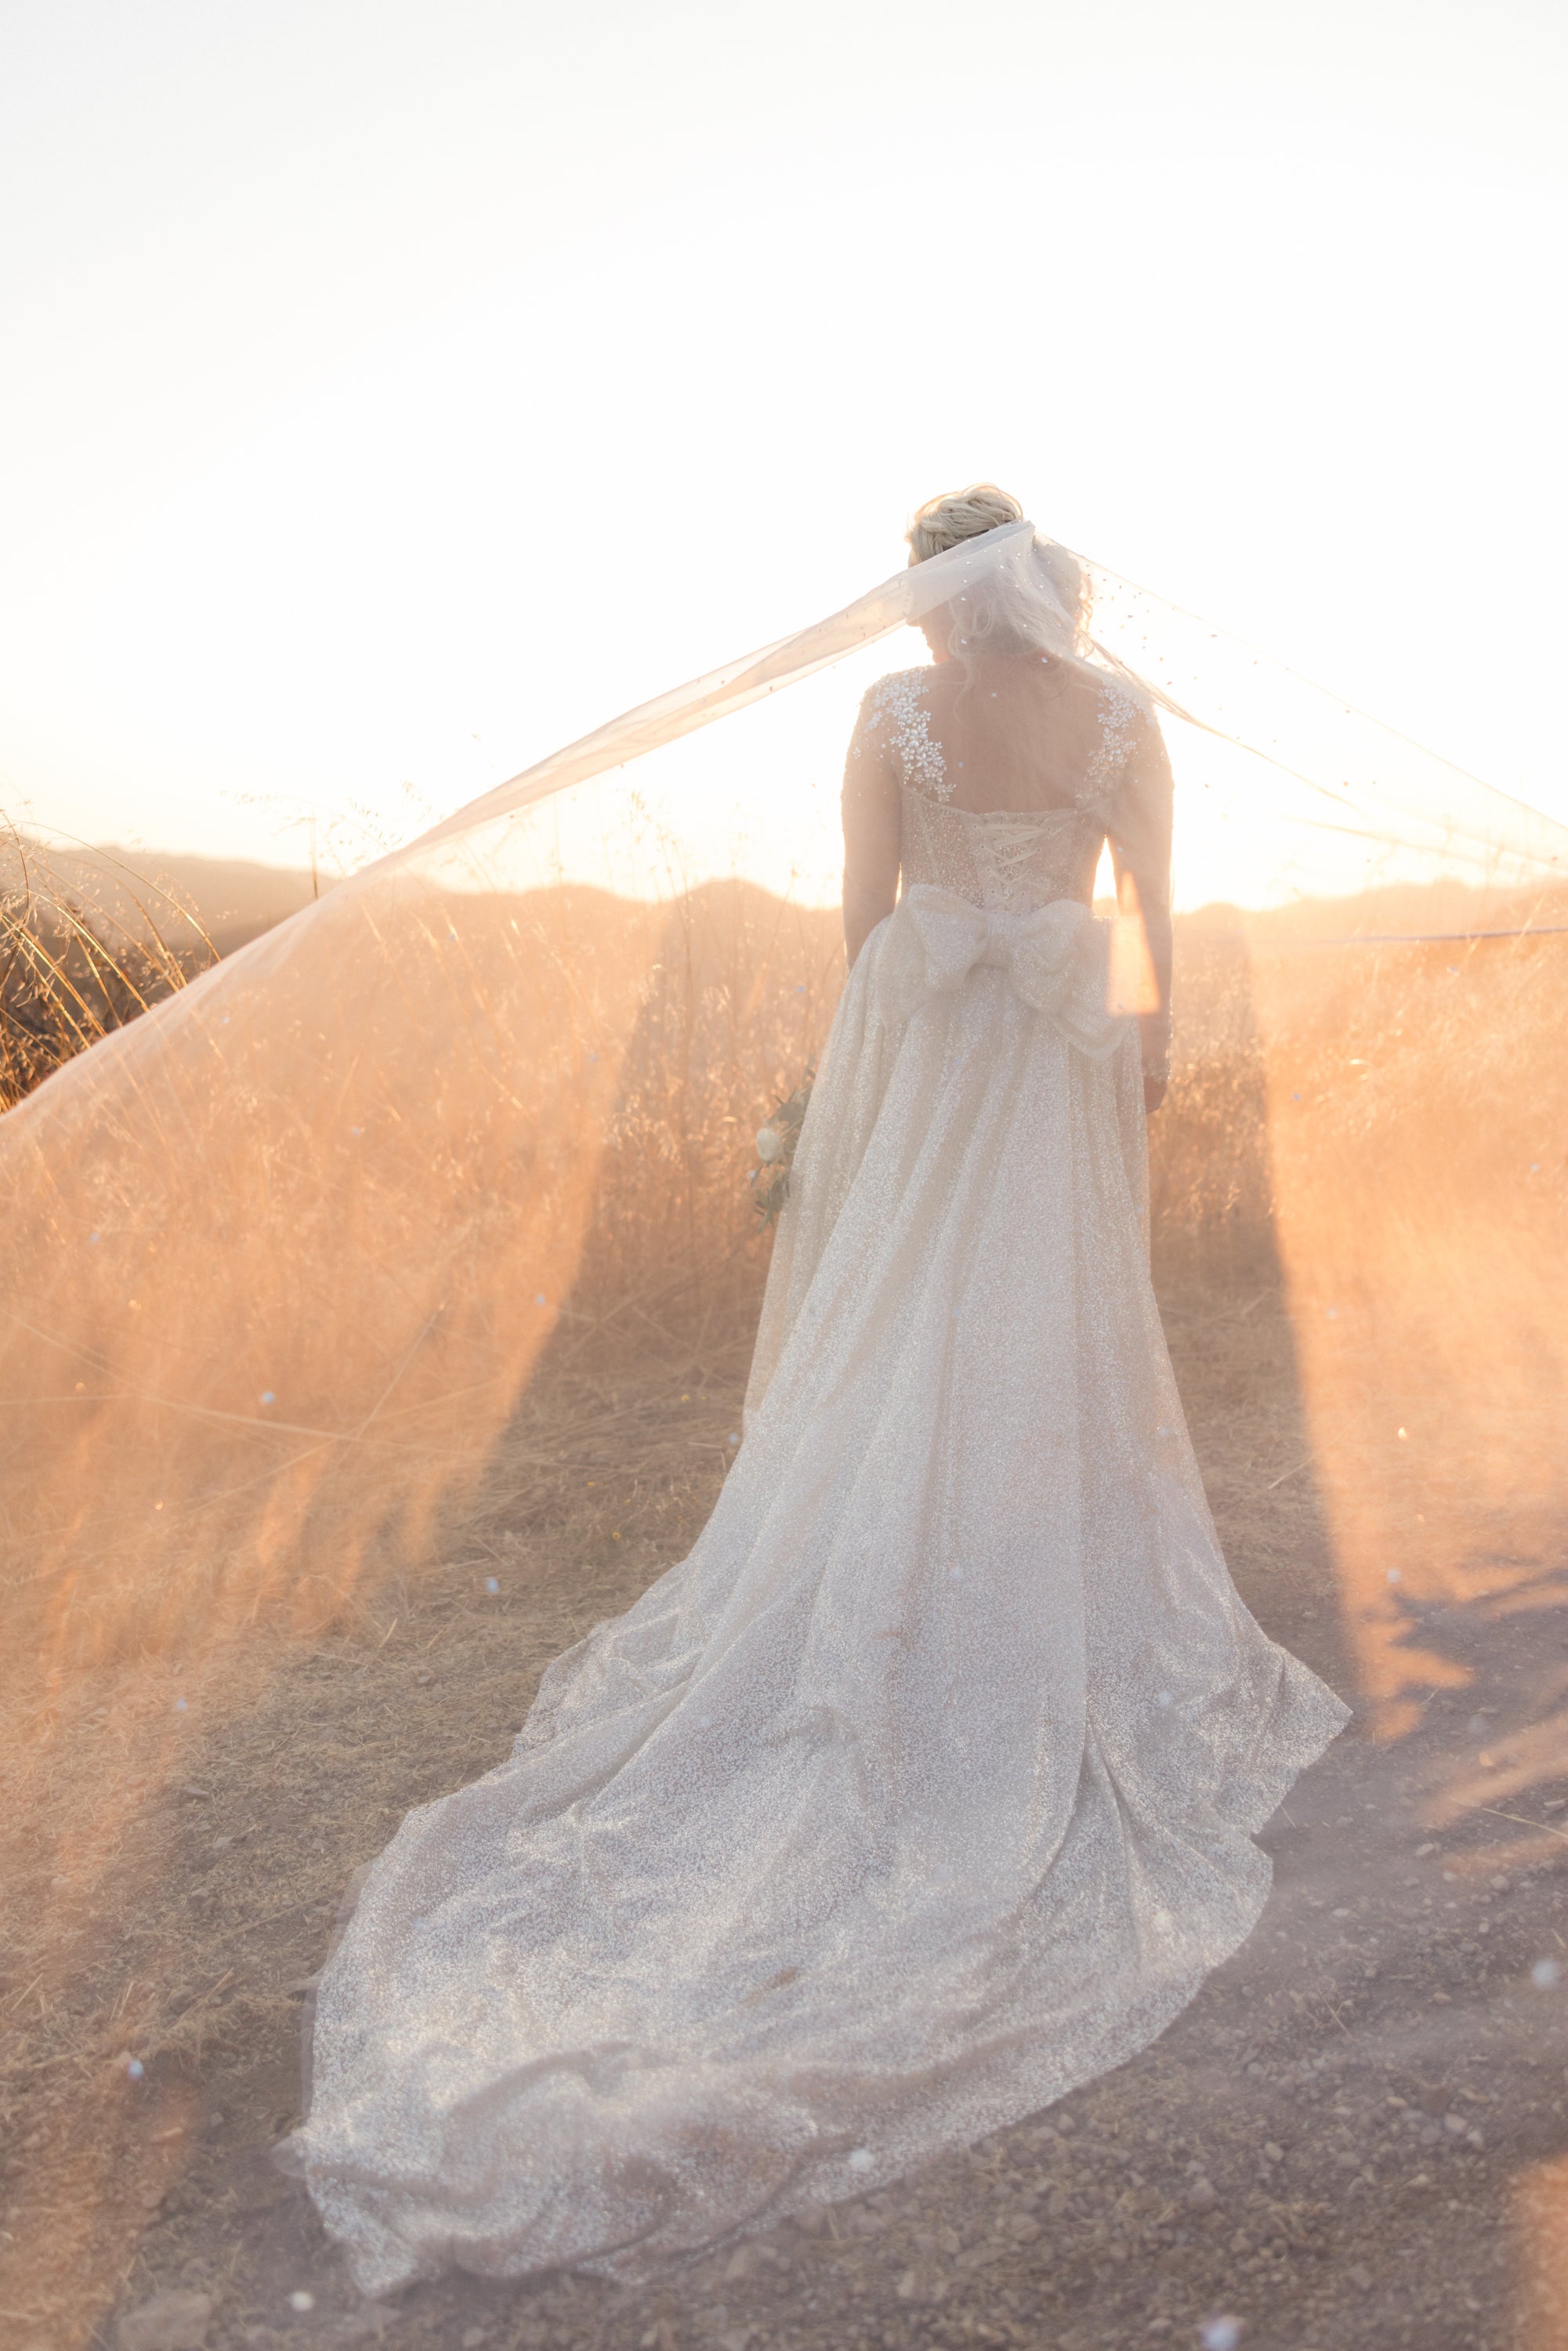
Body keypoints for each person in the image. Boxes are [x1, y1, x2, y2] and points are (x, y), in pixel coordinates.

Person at [280, 487, 1350, 2296]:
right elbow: (1158, 904)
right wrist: (1142, 1039)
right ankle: (1025, 1569)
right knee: (1049, 1326)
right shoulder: (1119, 717)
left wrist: (834, 1114)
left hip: (929, 1044)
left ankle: (891, 1574)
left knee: (899, 1319)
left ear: (938, 592)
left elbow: (864, 921)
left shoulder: (891, 719)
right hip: (1063, 1033)